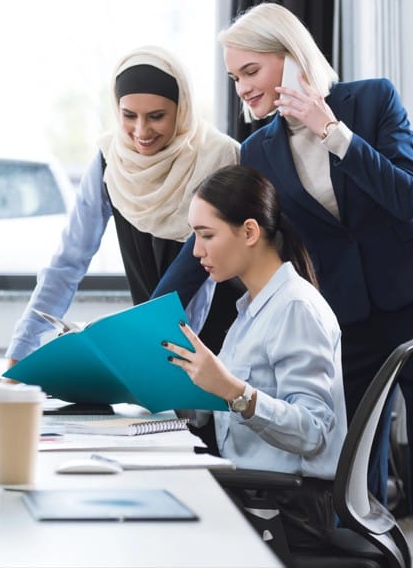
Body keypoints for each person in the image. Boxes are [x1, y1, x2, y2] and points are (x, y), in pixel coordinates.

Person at [155, 1, 413, 564]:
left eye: (251, 71)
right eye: (234, 77)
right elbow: (212, 238)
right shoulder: (259, 150)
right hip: (352, 320)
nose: (242, 89)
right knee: (353, 489)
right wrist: (149, 314)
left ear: (291, 59)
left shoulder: (371, 101)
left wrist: (331, 130)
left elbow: (407, 198)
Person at [6, 45, 241, 369]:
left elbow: (204, 274)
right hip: (153, 344)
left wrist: (151, 347)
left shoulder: (220, 158)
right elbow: (68, 261)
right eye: (129, 116)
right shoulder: (110, 161)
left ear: (182, 109)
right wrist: (22, 351)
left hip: (221, 348)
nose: (141, 132)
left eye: (156, 116)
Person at [162, 164, 346, 553]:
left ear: (249, 231)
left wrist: (231, 390)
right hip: (254, 493)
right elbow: (230, 405)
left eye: (206, 235)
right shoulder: (251, 309)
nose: (196, 251)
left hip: (285, 509)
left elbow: (313, 431)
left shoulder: (295, 309)